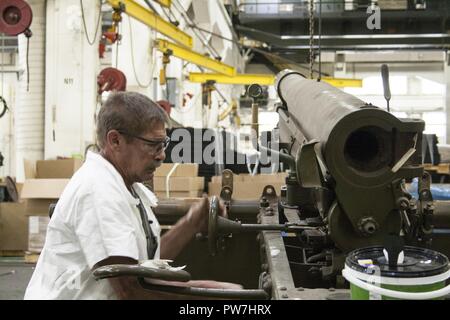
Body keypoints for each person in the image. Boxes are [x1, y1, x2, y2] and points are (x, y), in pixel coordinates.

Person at [24, 92, 241, 299]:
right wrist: (212, 295)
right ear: (115, 141)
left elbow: (143, 268)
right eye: (152, 145)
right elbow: (131, 291)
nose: (162, 155)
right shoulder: (99, 191)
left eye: (163, 144)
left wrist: (191, 223)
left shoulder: (127, 187)